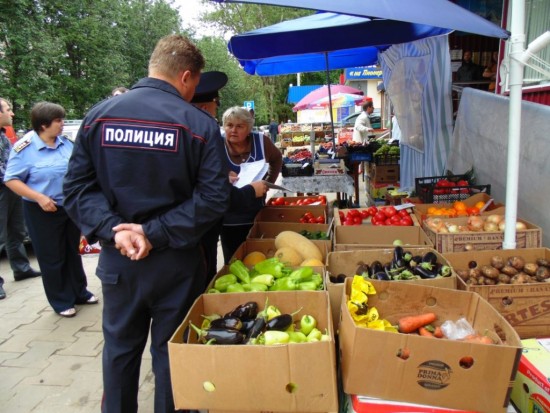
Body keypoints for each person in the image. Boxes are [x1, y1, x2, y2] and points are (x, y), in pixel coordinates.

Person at [62, 34, 231, 413]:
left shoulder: (99, 116)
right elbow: (214, 200)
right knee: (172, 354)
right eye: (196, 84)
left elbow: (74, 189)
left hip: (120, 261)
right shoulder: (199, 125)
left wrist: (115, 230)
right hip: (177, 263)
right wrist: (150, 234)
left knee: (120, 351)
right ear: (186, 77)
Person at [4, 102, 97, 316]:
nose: (62, 124)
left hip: (68, 207)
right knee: (52, 257)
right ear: (44, 125)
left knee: (72, 252)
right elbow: (11, 180)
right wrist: (39, 197)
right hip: (42, 210)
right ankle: (61, 300)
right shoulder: (25, 148)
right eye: (58, 120)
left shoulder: (65, 144)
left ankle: (79, 292)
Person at [191, 72, 268, 283]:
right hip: (201, 225)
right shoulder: (205, 134)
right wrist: (251, 190)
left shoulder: (191, 131)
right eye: (216, 105)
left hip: (194, 226)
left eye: (239, 126)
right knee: (202, 275)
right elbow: (213, 192)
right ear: (207, 106)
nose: (232, 130)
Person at [220, 106, 282, 264]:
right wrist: (222, 176)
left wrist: (268, 182)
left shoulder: (261, 141)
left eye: (239, 126)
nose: (233, 130)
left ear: (249, 128)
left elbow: (276, 158)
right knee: (233, 259)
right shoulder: (216, 144)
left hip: (255, 211)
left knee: (257, 255)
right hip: (228, 216)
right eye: (229, 125)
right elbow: (203, 171)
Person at [0, 97, 42, 300]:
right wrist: (12, 178)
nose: (12, 113)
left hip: (12, 190)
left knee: (15, 230)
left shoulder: (3, 136)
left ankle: (21, 268)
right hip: (4, 188)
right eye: (8, 109)